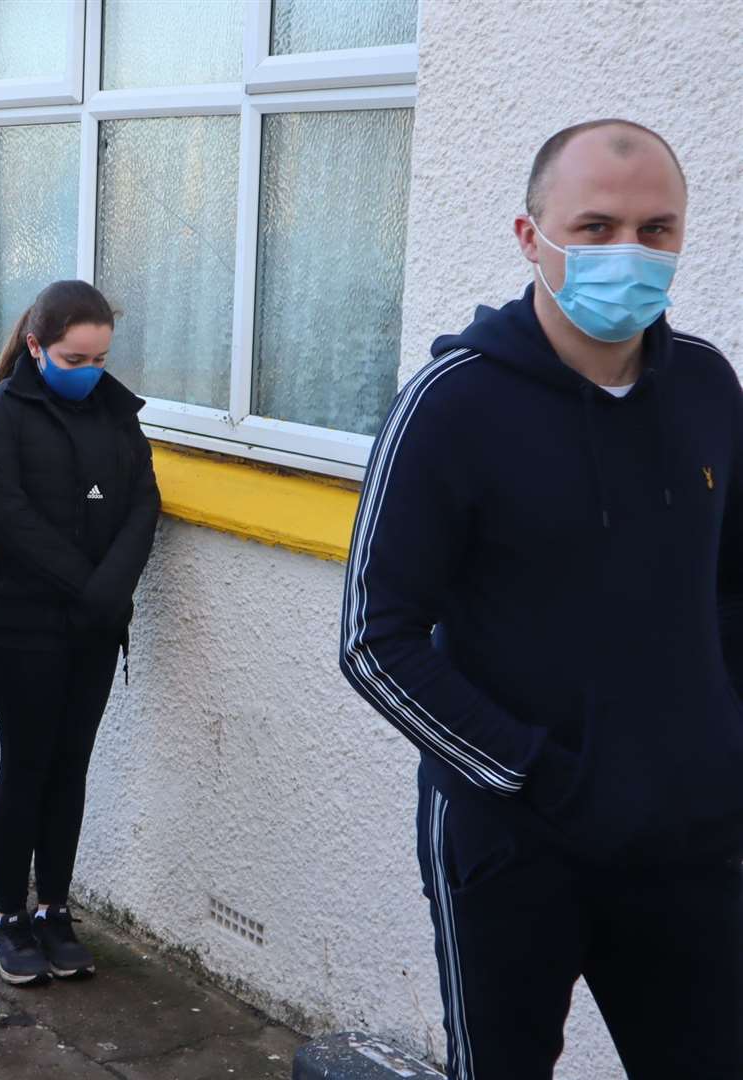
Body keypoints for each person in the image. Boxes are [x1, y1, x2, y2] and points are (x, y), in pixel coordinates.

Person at [339, 120, 743, 1078]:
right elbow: (374, 642)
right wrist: (541, 778)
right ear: (532, 237)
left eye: (657, 229)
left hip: (689, 836)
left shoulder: (709, 389)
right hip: (512, 841)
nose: (627, 254)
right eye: (595, 226)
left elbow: (731, 590)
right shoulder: (452, 405)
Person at [0, 280, 159, 985]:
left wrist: (108, 592)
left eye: (101, 359)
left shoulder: (116, 413)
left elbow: (143, 500)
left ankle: (54, 908)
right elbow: (6, 515)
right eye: (76, 358)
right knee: (28, 764)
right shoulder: (2, 414)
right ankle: (8, 919)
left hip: (94, 627)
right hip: (22, 622)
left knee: (69, 765)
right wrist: (91, 585)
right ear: (38, 347)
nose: (91, 372)